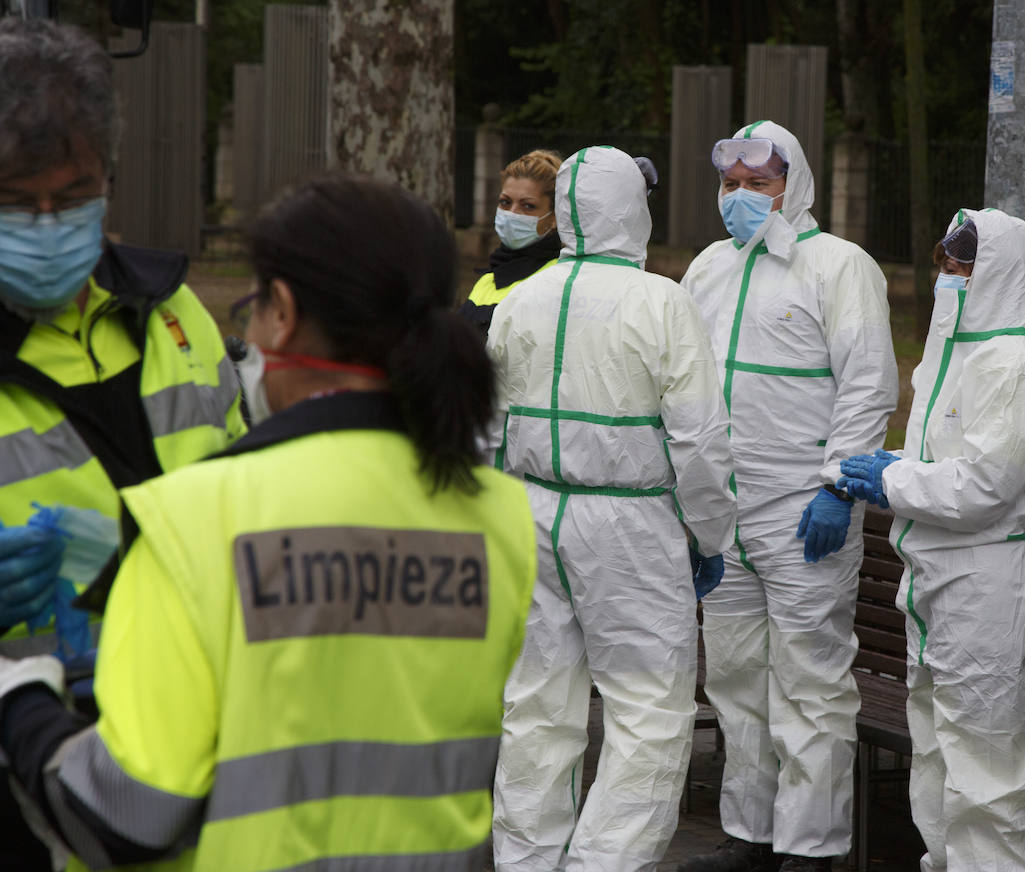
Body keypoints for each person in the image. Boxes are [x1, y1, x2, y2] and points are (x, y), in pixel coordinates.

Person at [0, 173, 538, 871]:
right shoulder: (497, 514)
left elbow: (121, 815)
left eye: (254, 306)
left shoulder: (196, 519)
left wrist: (21, 700)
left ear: (280, 313)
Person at [0, 18, 244, 867]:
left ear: (109, 180)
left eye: (70, 198)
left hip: (181, 753)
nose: (44, 223)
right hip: (22, 768)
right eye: (14, 200)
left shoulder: (177, 317)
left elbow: (250, 495)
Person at [488, 146, 736, 870]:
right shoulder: (661, 301)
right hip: (630, 525)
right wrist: (709, 534)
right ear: (634, 209)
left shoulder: (522, 297)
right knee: (648, 712)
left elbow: (489, 426)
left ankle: (525, 861)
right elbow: (698, 439)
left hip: (532, 515)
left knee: (537, 707)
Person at [677, 120, 898, 872]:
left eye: (758, 183)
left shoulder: (839, 267)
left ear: (792, 185)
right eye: (731, 185)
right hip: (724, 513)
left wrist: (840, 485)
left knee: (810, 681)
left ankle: (813, 845)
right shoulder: (707, 268)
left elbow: (869, 385)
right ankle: (750, 834)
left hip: (803, 511)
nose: (740, 197)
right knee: (737, 680)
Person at [837, 209, 1025, 872]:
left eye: (967, 265)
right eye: (947, 262)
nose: (952, 276)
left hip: (988, 578)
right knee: (941, 748)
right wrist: (879, 469)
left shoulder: (1012, 362)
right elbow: (939, 459)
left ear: (1003, 274)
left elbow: (984, 489)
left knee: (987, 767)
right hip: (940, 574)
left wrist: (892, 480)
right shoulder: (953, 358)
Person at [459, 149, 563, 336]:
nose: (513, 212)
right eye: (505, 202)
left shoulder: (557, 278)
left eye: (528, 206)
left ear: (555, 217)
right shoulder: (487, 279)